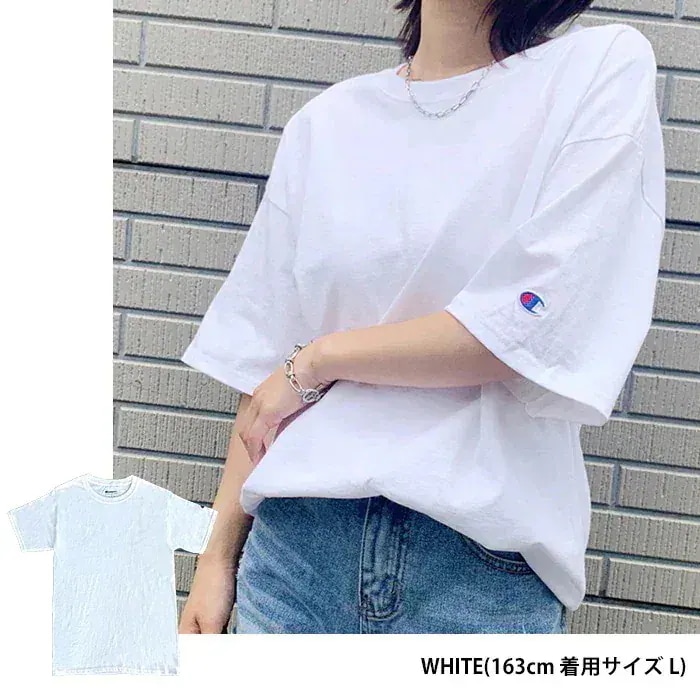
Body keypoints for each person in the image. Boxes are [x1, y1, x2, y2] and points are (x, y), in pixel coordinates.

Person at [178, 0, 666, 634]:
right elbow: (265, 377)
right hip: (295, 552)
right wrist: (216, 560)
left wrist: (320, 360)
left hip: (477, 569)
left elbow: (527, 325)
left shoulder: (597, 68)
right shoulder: (325, 124)